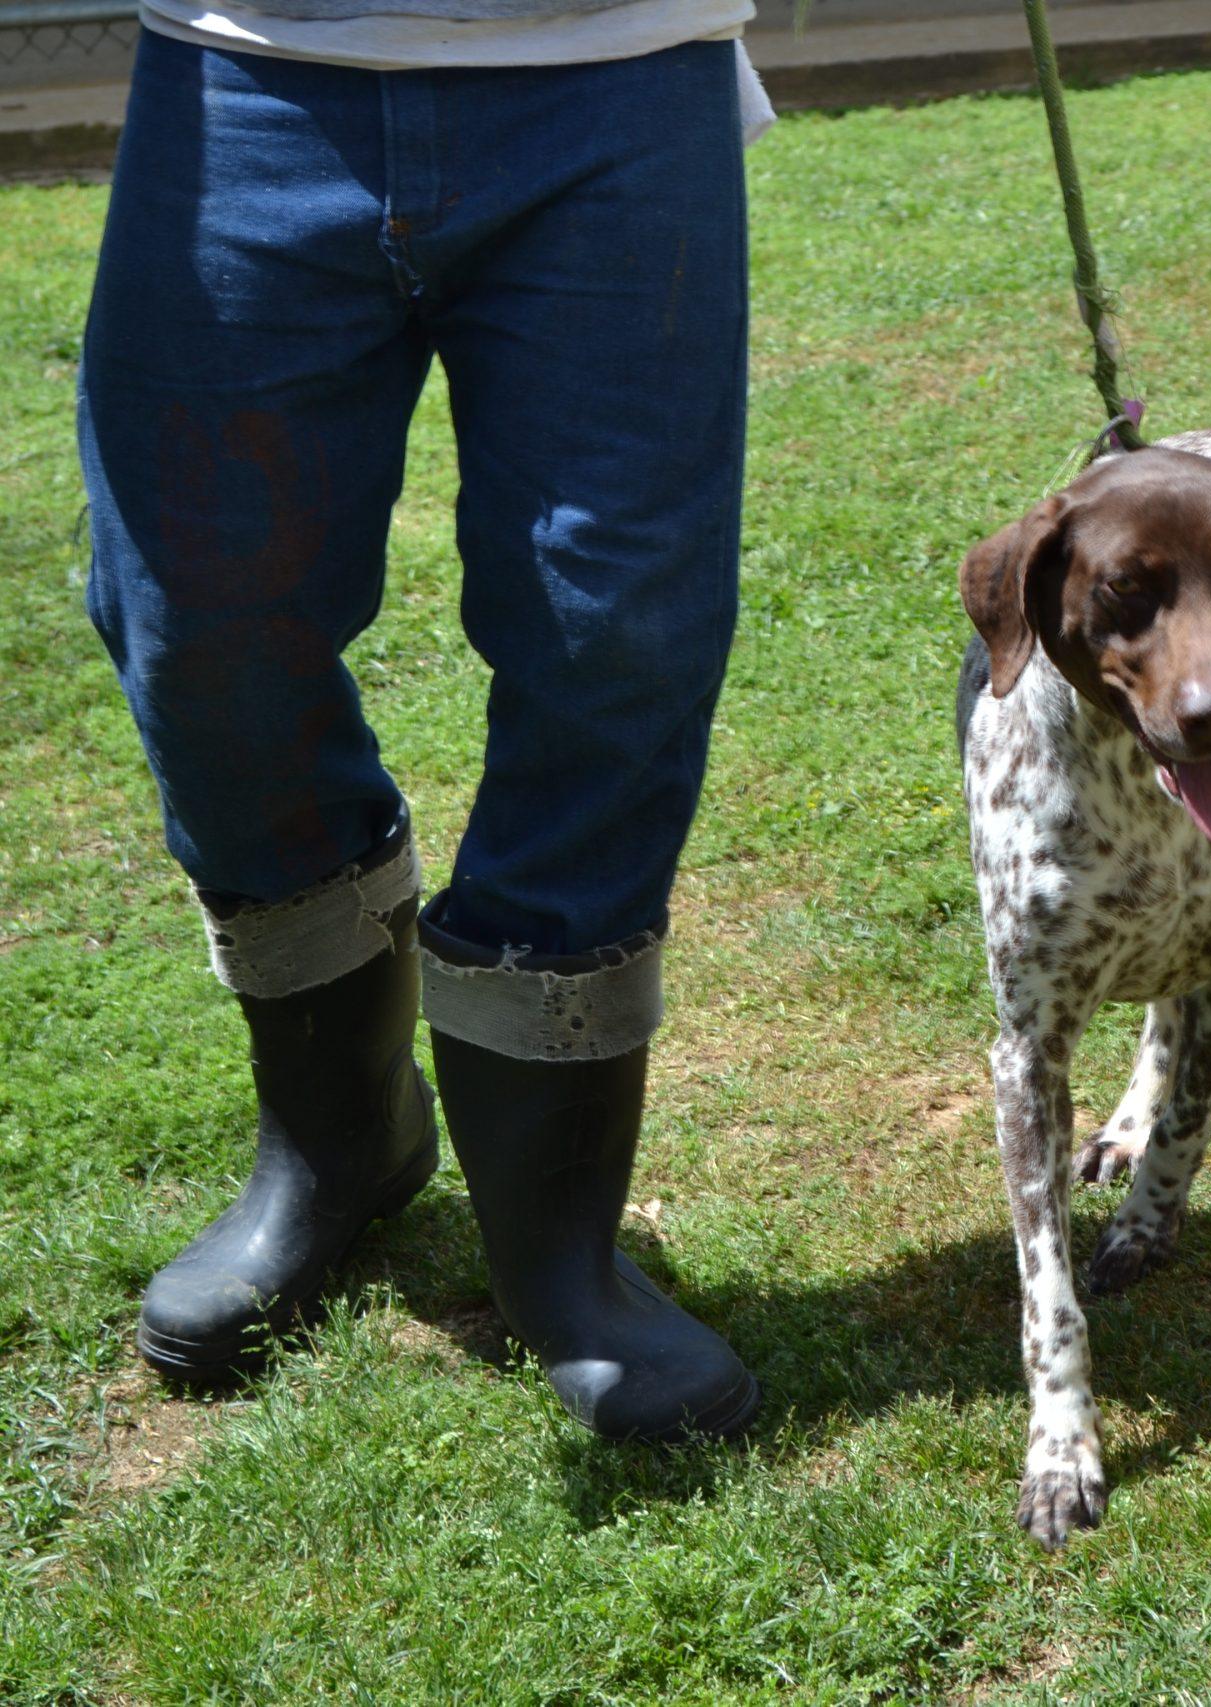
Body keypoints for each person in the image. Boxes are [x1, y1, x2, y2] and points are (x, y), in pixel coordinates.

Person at [78, 0, 779, 1439]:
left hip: (618, 70)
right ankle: (339, 1139)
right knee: (194, 622)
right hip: (249, 73)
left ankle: (559, 1245)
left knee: (614, 631)